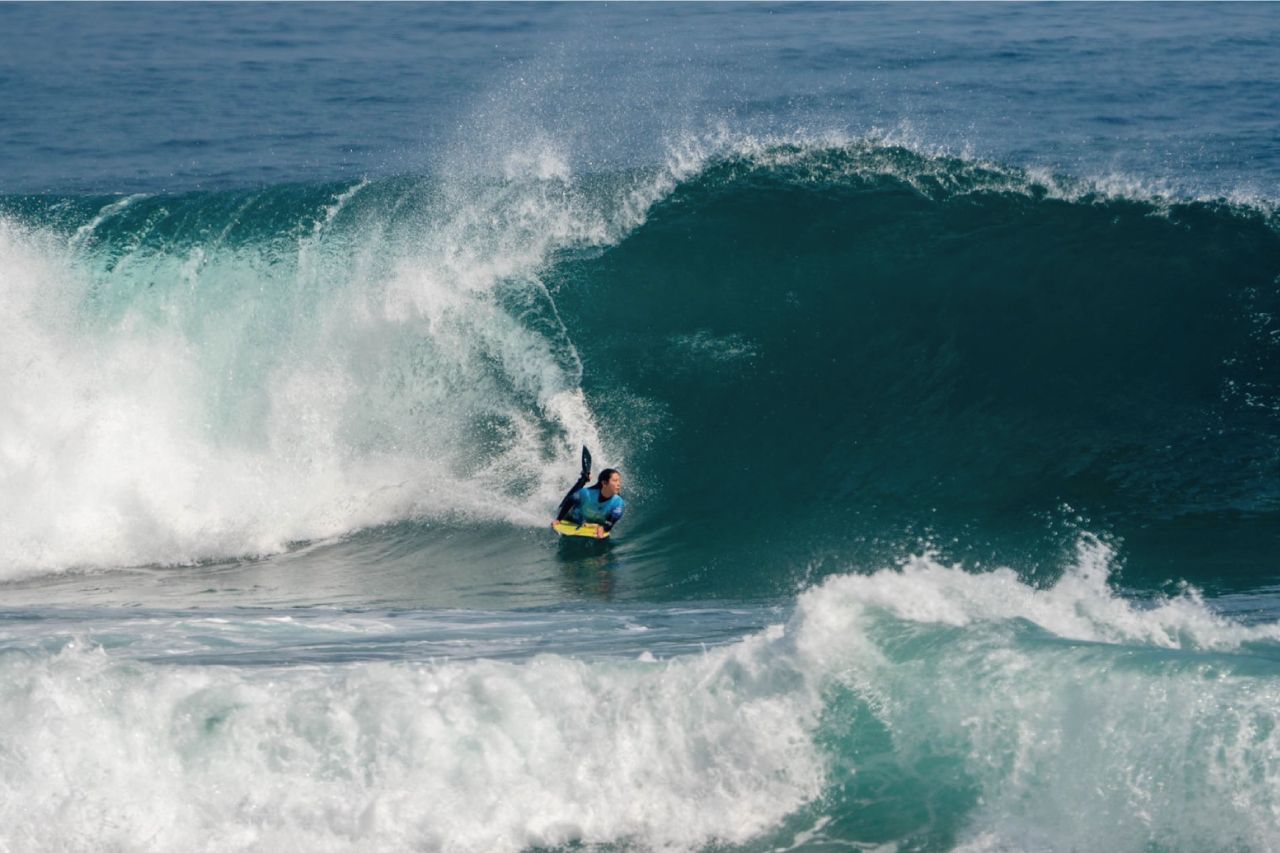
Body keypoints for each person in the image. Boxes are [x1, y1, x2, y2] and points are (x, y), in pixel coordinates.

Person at [554, 467, 625, 539]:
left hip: (589, 519)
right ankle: (583, 479)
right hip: (571, 516)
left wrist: (604, 529)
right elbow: (570, 501)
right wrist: (558, 519)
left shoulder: (618, 504)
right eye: (615, 481)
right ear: (604, 483)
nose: (618, 484)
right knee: (573, 496)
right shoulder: (586, 493)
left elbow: (610, 522)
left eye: (619, 481)